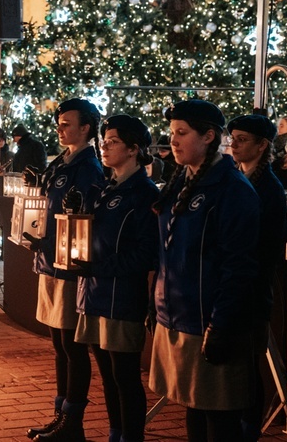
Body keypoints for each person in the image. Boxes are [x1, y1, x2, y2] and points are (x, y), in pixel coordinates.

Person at [149, 100, 260, 441]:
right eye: (171, 133)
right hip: (177, 318)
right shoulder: (183, 181)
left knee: (218, 418)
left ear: (209, 136)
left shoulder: (232, 189)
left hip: (207, 321)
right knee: (193, 408)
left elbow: (238, 266)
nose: (174, 141)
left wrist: (220, 325)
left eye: (182, 133)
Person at [22, 98, 104, 441]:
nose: (60, 128)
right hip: (50, 262)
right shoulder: (63, 162)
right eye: (59, 122)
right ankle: (60, 416)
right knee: (58, 345)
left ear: (86, 128)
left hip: (68, 267)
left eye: (67, 123)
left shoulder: (88, 167)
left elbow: (83, 220)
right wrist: (38, 184)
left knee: (72, 347)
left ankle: (73, 423)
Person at [74, 114, 160, 442]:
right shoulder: (103, 188)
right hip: (94, 293)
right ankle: (115, 433)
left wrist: (100, 267)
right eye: (104, 141)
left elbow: (146, 254)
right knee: (108, 376)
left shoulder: (144, 194)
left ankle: (130, 436)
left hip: (121, 298)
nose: (104, 147)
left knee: (124, 375)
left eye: (113, 142)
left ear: (134, 149)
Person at [227, 114, 287, 441]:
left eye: (242, 139)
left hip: (252, 289)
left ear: (262, 145)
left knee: (249, 367)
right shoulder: (239, 179)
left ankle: (248, 429)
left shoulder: (266, 188)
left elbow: (264, 248)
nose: (234, 144)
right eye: (233, 137)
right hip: (238, 287)